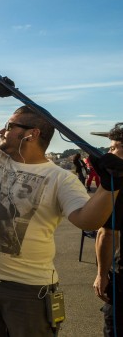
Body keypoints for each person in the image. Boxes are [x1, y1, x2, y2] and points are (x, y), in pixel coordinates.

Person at [0, 80, 120, 336]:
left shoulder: (60, 178)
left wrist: (110, 186)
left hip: (28, 290)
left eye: (9, 126)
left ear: (32, 134)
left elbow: (88, 220)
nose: (1, 131)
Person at [91, 123, 123, 336]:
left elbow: (107, 233)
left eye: (113, 148)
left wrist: (101, 274)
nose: (109, 153)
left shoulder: (117, 185)